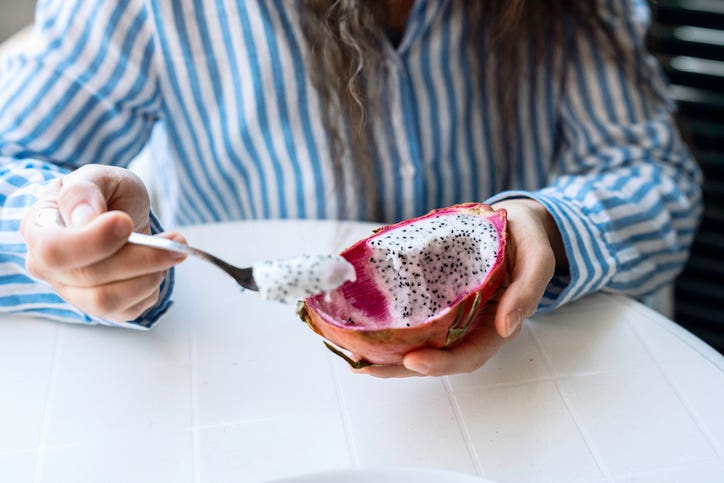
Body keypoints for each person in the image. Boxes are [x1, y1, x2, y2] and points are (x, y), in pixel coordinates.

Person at [0, 0, 702, 377]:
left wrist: (551, 225)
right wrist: (59, 237)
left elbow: (653, 171)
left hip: (518, 391)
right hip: (230, 387)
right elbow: (13, 159)